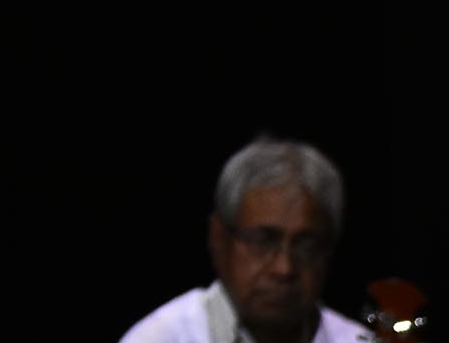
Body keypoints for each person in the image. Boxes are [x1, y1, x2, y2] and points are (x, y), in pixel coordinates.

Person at [120, 136, 375, 343]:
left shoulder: (357, 340)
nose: (284, 268)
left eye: (306, 245)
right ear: (219, 239)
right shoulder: (161, 338)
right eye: (263, 241)